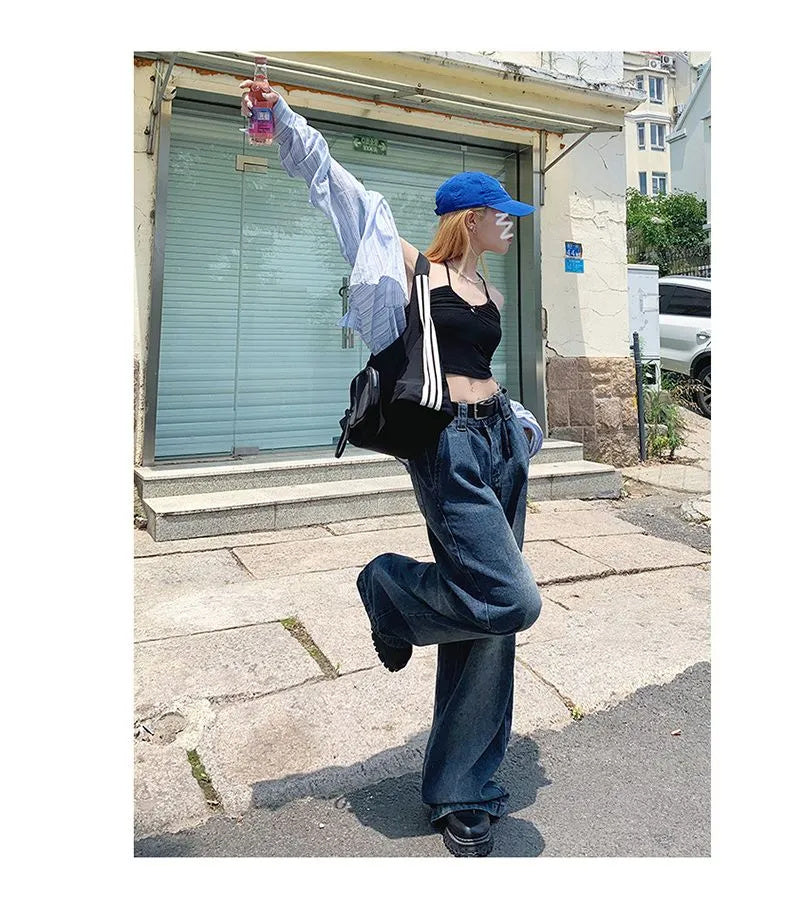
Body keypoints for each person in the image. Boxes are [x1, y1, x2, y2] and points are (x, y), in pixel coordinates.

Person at [240, 81, 544, 858]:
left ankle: (463, 785)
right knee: (512, 599)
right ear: (470, 218)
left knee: (490, 627)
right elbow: (336, 187)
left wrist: (517, 422)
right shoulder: (413, 270)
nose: (511, 222)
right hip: (449, 450)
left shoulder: (488, 288)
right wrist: (281, 120)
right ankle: (390, 588)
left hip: (500, 445)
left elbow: (478, 366)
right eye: (502, 212)